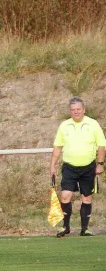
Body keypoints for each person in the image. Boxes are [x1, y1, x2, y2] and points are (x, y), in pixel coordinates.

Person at [50, 97, 105, 237]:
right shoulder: (64, 125)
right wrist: (52, 166)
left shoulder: (92, 124)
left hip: (88, 167)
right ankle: (65, 227)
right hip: (69, 167)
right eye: (73, 110)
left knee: (86, 198)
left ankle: (84, 229)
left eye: (78, 109)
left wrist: (100, 164)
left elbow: (101, 145)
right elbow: (57, 147)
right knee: (65, 195)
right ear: (70, 111)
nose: (76, 112)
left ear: (84, 110)